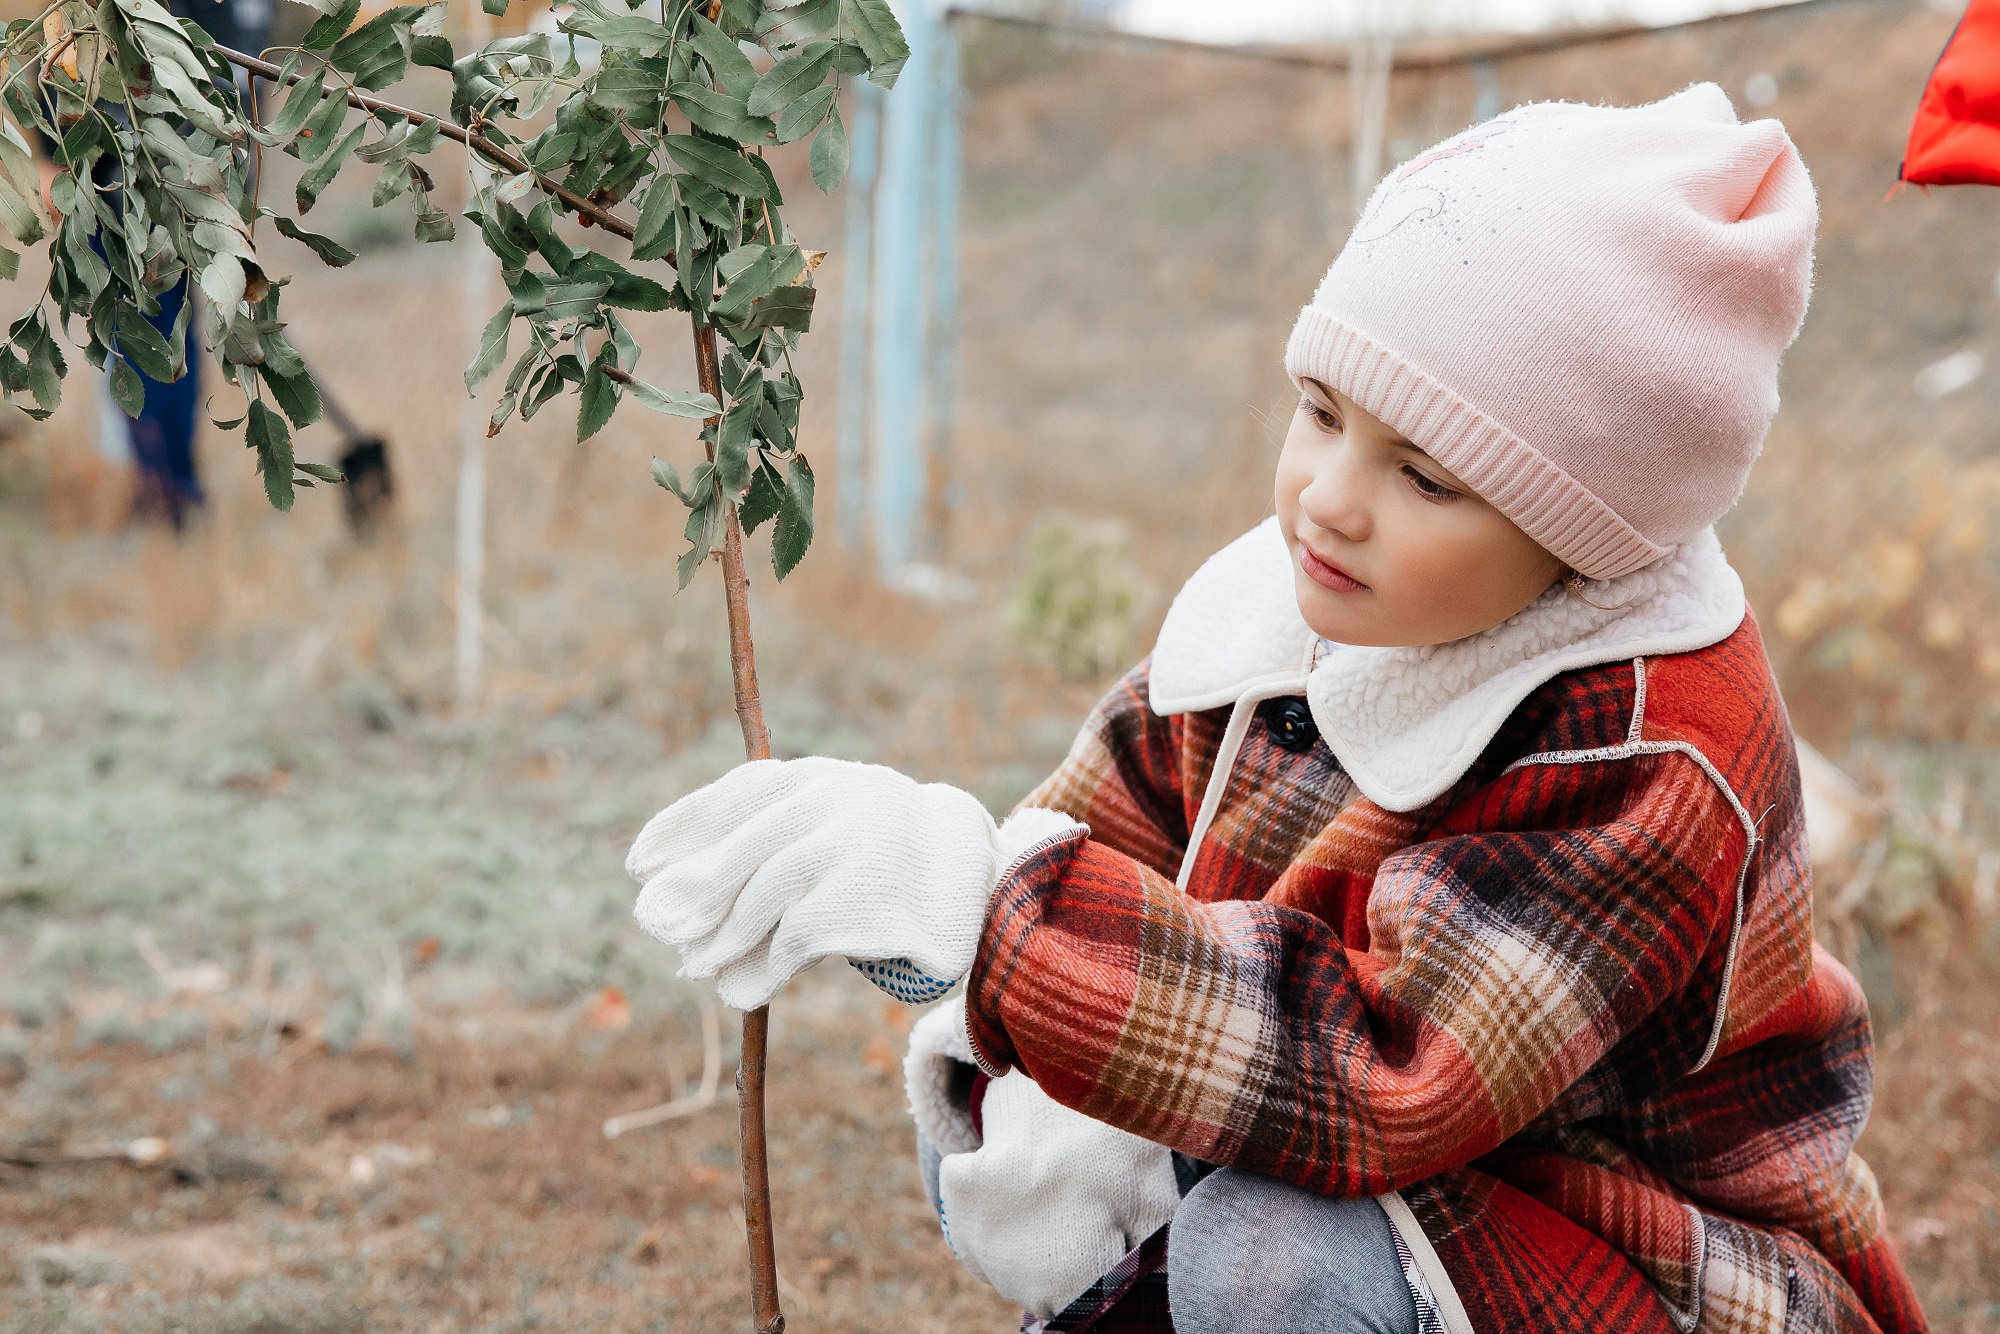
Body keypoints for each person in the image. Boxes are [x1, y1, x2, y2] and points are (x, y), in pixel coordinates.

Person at [626, 86, 1931, 1333]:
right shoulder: (1319, 594)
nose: (1329, 496)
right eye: (1319, 412)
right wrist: (944, 947)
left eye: (1424, 474)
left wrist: (995, 915)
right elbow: (1105, 837)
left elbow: (1392, 1074)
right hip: (1401, 1191)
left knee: (1272, 1250)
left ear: (1583, 531)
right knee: (1005, 1114)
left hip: (1648, 1255)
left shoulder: (1649, 743)